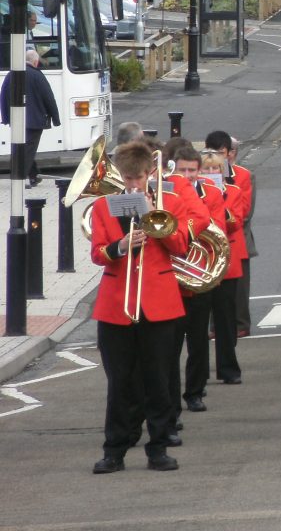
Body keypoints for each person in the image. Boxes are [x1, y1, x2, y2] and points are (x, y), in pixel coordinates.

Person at [90, 142, 192, 474]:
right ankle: (115, 450)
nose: (133, 185)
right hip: (116, 304)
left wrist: (151, 215)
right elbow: (97, 253)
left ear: (150, 174)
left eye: (139, 178)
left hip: (158, 304)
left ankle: (159, 447)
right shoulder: (105, 206)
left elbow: (180, 247)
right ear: (121, 175)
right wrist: (118, 246)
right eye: (129, 178)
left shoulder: (168, 202)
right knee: (119, 383)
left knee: (158, 381)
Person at [168, 146, 222, 418]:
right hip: (174, 280)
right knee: (171, 344)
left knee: (198, 340)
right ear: (173, 169)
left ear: (200, 172)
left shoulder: (211, 193)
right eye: (182, 170)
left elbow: (217, 228)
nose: (187, 175)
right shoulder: (165, 193)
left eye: (192, 170)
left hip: (200, 274)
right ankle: (170, 401)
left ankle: (195, 392)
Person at [199, 151, 245, 384]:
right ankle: (200, 373)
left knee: (225, 319)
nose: (210, 174)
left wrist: (220, 202)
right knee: (200, 321)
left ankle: (228, 369)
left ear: (222, 172)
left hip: (226, 260)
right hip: (202, 261)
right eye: (205, 170)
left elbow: (236, 222)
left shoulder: (233, 192)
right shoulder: (195, 193)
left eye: (214, 169)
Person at [204, 131, 255, 338]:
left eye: (221, 153)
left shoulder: (242, 176)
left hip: (235, 239)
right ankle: (215, 326)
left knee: (238, 291)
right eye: (212, 152)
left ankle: (241, 324)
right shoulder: (202, 179)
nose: (217, 157)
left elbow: (244, 214)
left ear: (229, 154)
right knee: (212, 287)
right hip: (209, 241)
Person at [1, 48, 60, 187]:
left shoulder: (12, 74)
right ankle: (19, 178)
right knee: (28, 149)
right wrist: (56, 119)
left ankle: (33, 175)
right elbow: (49, 98)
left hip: (17, 120)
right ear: (35, 61)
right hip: (35, 121)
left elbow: (3, 96)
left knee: (22, 147)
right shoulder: (37, 75)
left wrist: (6, 117)